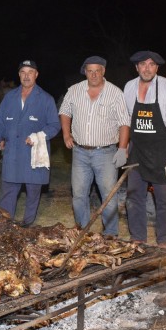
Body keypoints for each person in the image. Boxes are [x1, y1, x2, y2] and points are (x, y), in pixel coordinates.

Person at [123, 50, 166, 248]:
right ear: (136, 67)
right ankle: (138, 238)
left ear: (157, 68)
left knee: (163, 199)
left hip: (162, 149)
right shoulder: (129, 87)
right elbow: (126, 120)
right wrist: (124, 146)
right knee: (134, 196)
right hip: (137, 149)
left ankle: (163, 241)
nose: (147, 68)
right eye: (143, 64)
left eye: (151, 64)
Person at [58, 56, 130, 237]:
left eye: (97, 70)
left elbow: (124, 123)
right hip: (80, 152)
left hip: (105, 153)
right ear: (85, 72)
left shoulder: (115, 93)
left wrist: (122, 148)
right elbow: (64, 112)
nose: (94, 74)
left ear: (103, 71)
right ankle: (82, 232)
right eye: (90, 71)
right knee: (79, 195)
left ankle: (111, 234)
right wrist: (66, 134)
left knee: (108, 196)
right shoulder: (74, 91)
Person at [0, 60, 60, 226]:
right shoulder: (10, 97)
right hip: (12, 153)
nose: (26, 76)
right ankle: (5, 225)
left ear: (36, 74)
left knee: (33, 191)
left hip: (34, 154)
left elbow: (55, 125)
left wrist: (38, 135)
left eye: (30, 72)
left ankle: (27, 226)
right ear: (19, 75)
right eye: (23, 72)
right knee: (8, 191)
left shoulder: (45, 99)